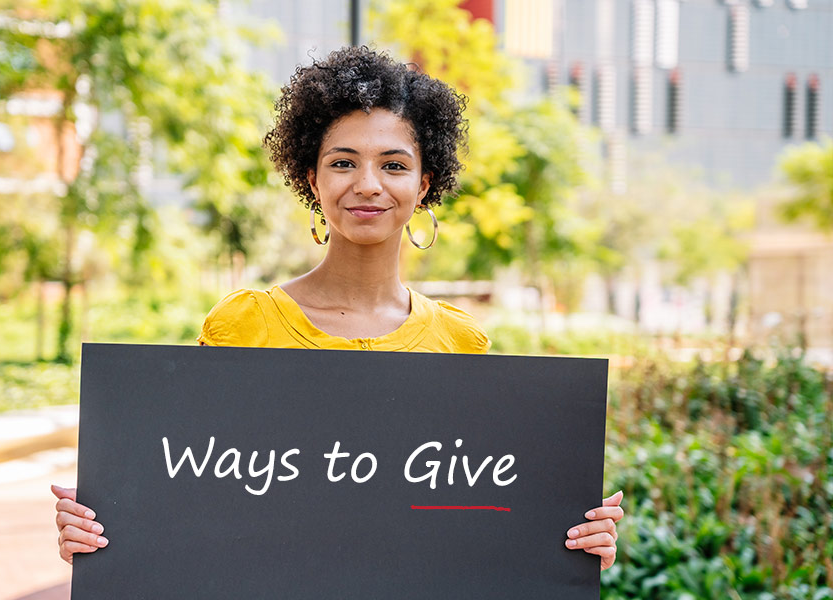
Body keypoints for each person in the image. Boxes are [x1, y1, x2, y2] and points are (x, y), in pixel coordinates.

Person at [52, 45, 624, 571]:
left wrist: (568, 545)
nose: (368, 184)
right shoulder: (242, 326)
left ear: (424, 185)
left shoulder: (460, 342)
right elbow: (188, 498)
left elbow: (475, 524)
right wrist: (109, 520)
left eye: (394, 165)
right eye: (343, 162)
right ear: (312, 178)